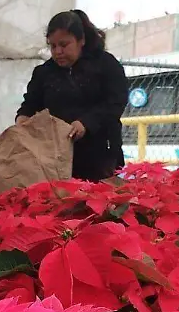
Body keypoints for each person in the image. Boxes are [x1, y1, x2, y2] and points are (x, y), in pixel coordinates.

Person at [16, 9, 130, 182]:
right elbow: (31, 103)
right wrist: (23, 117)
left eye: (64, 45)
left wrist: (86, 123)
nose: (58, 51)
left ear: (81, 40)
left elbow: (115, 101)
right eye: (53, 46)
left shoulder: (105, 65)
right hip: (56, 158)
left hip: (101, 154)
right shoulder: (44, 73)